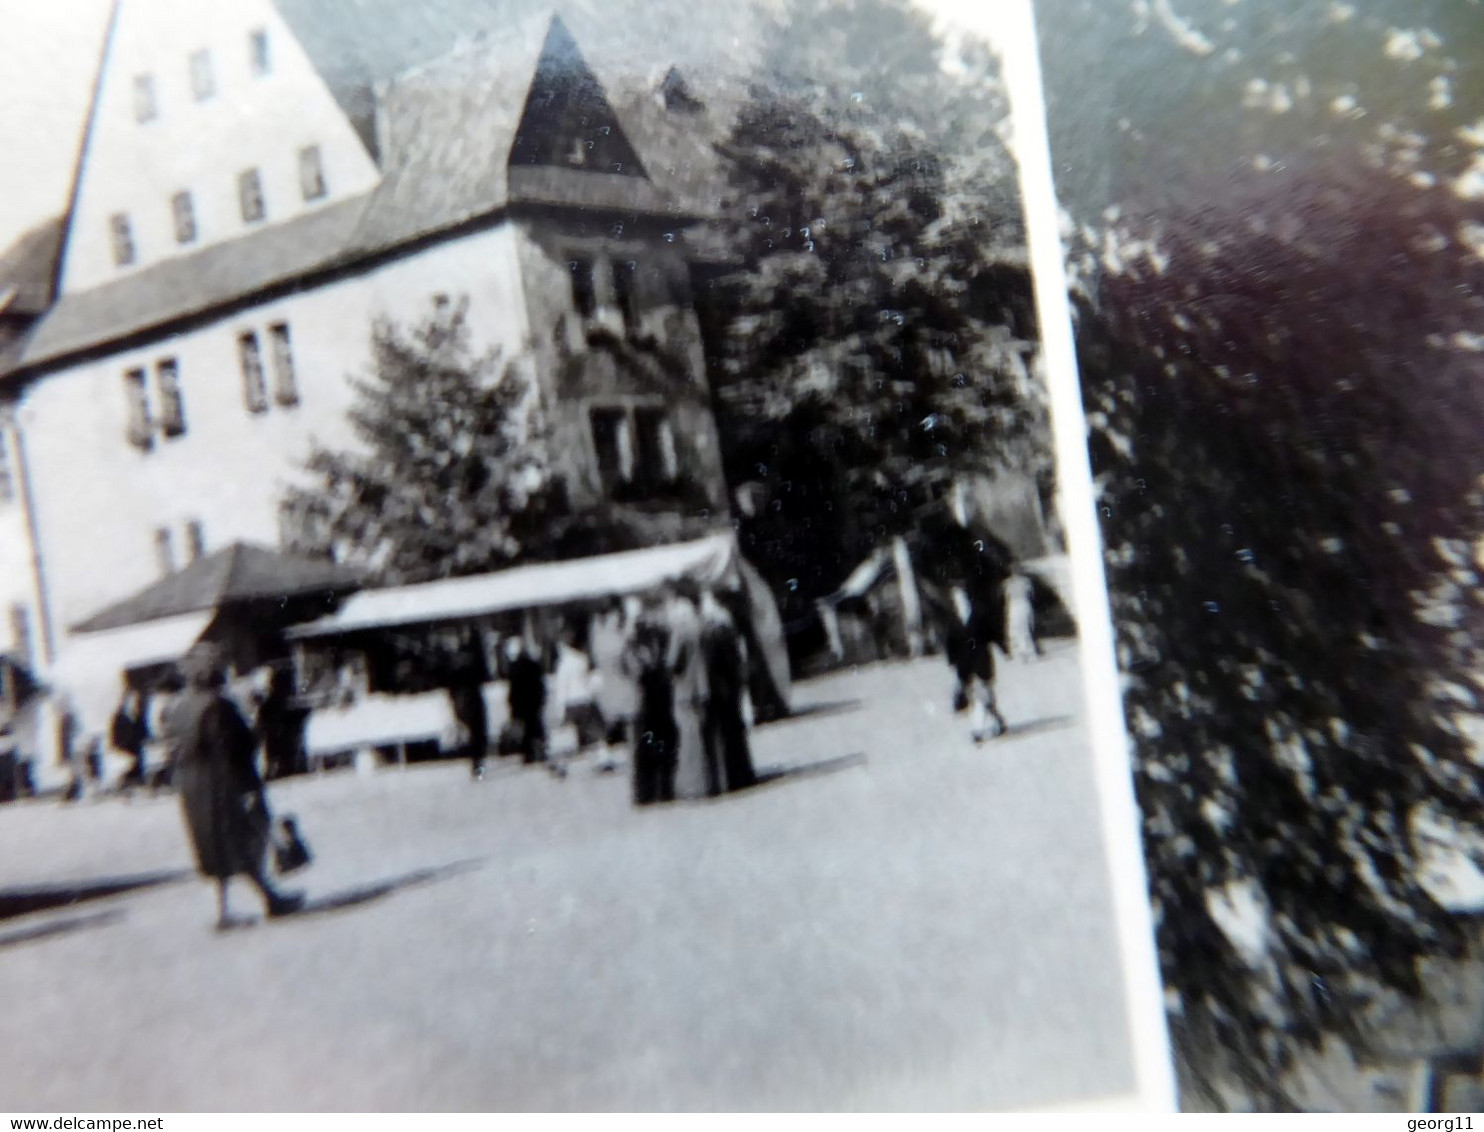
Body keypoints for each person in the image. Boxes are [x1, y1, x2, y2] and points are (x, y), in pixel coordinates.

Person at [169, 644, 303, 929]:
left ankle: (229, 911)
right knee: (240, 844)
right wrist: (249, 787)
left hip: (193, 787)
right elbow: (231, 751)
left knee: (215, 848)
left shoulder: (179, 707)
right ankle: (271, 900)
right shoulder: (218, 706)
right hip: (222, 784)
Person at [700, 588, 756, 794]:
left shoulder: (714, 629)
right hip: (730, 685)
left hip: (721, 687)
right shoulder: (726, 626)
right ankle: (741, 774)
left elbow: (715, 662)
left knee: (725, 734)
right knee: (735, 733)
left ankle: (731, 777)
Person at [626, 599, 677, 805]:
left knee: (661, 745)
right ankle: (647, 792)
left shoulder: (658, 639)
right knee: (646, 750)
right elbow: (634, 669)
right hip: (646, 700)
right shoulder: (634, 645)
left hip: (659, 699)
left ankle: (664, 789)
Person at [665, 582, 710, 800]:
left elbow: (672, 661)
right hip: (701, 685)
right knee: (700, 735)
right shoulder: (698, 626)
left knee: (688, 739)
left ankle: (693, 786)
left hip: (684, 688)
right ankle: (705, 782)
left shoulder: (679, 631)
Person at [447, 642, 491, 781]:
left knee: (475, 740)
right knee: (477, 740)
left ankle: (477, 768)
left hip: (467, 707)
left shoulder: (456, 671)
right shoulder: (469, 671)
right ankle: (478, 769)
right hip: (472, 706)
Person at [255, 665, 305, 781]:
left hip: (277, 747)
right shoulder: (282, 705)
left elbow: (261, 727)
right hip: (281, 747)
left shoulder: (267, 706)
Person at [505, 636, 548, 767]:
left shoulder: (513, 668)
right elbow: (540, 685)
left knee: (526, 731)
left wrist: (512, 705)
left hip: (521, 705)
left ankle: (528, 754)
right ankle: (540, 751)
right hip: (534, 703)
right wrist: (541, 700)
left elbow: (513, 690)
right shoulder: (534, 665)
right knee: (536, 728)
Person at [111, 686, 149, 790]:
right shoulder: (121, 717)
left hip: (135, 747)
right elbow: (117, 738)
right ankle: (134, 779)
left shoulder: (136, 717)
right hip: (126, 748)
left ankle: (137, 778)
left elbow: (143, 733)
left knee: (140, 754)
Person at [1005, 571, 1040, 661]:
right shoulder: (1023, 581)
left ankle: (1025, 650)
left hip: (1018, 604)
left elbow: (1006, 596)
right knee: (1023, 627)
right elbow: (1031, 594)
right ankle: (1026, 649)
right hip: (1019, 604)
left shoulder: (1009, 583)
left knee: (1021, 627)